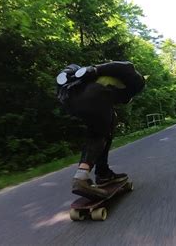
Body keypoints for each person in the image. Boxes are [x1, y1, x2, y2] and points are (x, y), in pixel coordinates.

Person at [56, 61, 145, 199]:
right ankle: (81, 178)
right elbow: (127, 66)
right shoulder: (136, 82)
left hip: (68, 98)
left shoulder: (106, 85)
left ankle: (103, 173)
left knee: (105, 125)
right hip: (93, 94)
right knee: (99, 134)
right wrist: (95, 70)